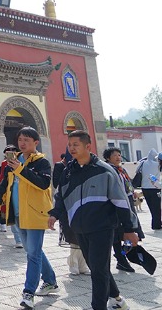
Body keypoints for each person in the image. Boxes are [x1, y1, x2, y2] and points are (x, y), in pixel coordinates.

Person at [49, 130, 139, 310]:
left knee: (97, 271)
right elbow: (61, 195)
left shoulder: (105, 171)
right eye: (69, 145)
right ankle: (117, 299)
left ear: (88, 146)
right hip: (80, 228)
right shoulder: (69, 172)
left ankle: (98, 306)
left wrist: (129, 229)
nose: (72, 148)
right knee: (96, 266)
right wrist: (55, 214)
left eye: (76, 145)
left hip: (102, 228)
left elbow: (121, 201)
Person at [0, 127, 57, 309]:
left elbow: (43, 183)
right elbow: (5, 183)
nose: (22, 143)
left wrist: (21, 169)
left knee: (33, 254)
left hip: (36, 214)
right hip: (18, 212)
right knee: (32, 250)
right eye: (20, 139)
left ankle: (28, 292)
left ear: (36, 142)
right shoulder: (14, 161)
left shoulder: (42, 162)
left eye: (27, 140)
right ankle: (50, 280)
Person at [103, 147, 145, 273]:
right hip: (116, 205)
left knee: (129, 231)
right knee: (117, 234)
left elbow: (128, 184)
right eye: (115, 155)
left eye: (119, 155)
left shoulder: (121, 169)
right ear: (108, 157)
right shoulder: (107, 170)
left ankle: (123, 254)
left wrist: (133, 192)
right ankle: (121, 259)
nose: (118, 157)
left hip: (127, 203)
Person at [137, 148, 161, 230]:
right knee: (157, 207)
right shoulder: (158, 164)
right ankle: (157, 224)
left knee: (151, 206)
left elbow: (137, 171)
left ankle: (155, 223)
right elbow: (155, 179)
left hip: (145, 188)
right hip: (155, 188)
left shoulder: (143, 163)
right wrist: (154, 181)